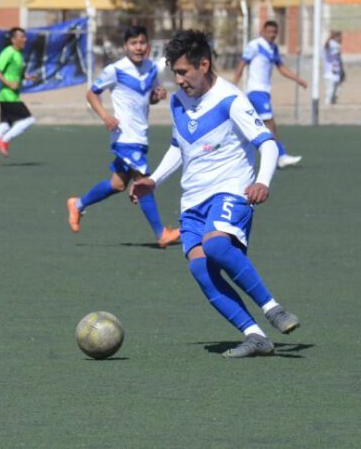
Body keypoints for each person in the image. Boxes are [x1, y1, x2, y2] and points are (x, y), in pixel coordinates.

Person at [130, 30, 300, 358]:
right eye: (174, 73)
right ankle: (255, 336)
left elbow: (267, 144)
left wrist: (263, 181)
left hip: (232, 191)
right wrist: (153, 180)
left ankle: (272, 307)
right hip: (192, 201)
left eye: (183, 72)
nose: (178, 80)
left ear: (204, 64)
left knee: (216, 244)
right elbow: (181, 146)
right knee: (200, 268)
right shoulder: (179, 101)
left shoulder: (230, 99)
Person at [65, 25, 181, 248]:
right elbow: (91, 93)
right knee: (143, 181)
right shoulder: (115, 70)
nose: (138, 47)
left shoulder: (151, 69)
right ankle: (161, 233)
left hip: (140, 135)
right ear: (125, 46)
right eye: (133, 43)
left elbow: (150, 98)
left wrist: (158, 95)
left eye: (142, 43)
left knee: (118, 184)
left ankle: (77, 205)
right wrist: (105, 116)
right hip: (124, 136)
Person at [233, 21, 308, 169]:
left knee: (253, 125)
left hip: (264, 92)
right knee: (270, 124)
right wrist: (233, 84)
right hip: (256, 91)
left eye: (275, 32)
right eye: (270, 31)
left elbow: (281, 67)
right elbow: (242, 64)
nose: (272, 34)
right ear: (262, 31)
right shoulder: (255, 45)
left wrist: (298, 79)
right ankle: (280, 156)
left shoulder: (273, 48)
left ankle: (239, 155)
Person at [0, 27, 38, 166]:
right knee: (29, 120)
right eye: (21, 37)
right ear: (13, 39)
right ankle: (4, 140)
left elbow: (15, 72)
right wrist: (8, 83)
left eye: (25, 36)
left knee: (4, 125)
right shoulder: (9, 52)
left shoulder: (18, 54)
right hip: (8, 96)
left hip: (9, 96)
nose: (25, 39)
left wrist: (27, 77)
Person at [323, 31, 344, 105]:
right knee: (330, 92)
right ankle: (328, 107)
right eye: (340, 37)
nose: (342, 39)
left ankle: (332, 106)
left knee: (336, 92)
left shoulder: (335, 45)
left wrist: (342, 71)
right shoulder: (333, 44)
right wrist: (329, 38)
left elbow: (338, 60)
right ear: (336, 37)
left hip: (336, 73)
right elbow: (326, 46)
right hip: (330, 73)